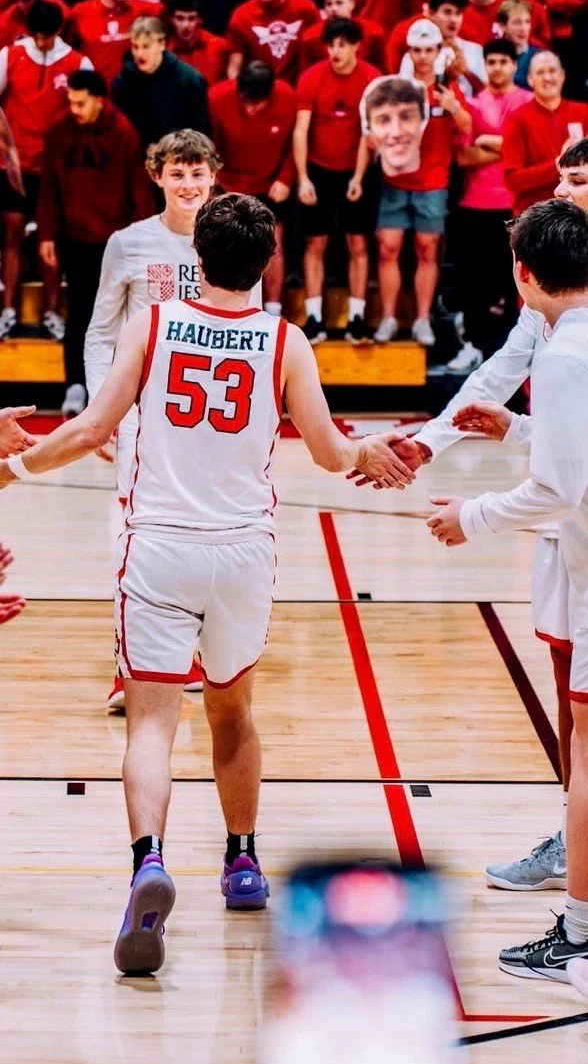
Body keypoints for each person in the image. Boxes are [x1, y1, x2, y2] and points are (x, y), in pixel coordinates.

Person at [1, 192, 417, 976]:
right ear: (268, 264)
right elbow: (330, 452)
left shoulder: (153, 324)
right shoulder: (285, 341)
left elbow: (91, 431)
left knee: (152, 722)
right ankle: (243, 861)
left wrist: (12, 467)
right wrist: (376, 455)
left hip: (157, 545)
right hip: (242, 552)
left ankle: (150, 860)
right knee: (232, 710)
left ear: (198, 260)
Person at [366, 139, 588, 898]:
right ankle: (574, 827)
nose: (566, 186)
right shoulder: (554, 285)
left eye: (581, 177)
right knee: (569, 688)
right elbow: (501, 370)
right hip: (567, 518)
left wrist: (477, 512)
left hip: (567, 503)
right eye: (562, 174)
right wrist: (429, 444)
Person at [426, 197, 588, 983]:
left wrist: (471, 515)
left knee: (586, 756)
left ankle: (582, 934)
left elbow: (558, 490)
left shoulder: (561, 355)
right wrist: (517, 431)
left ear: (522, 275)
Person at [84, 129, 220, 711]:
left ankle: (187, 650)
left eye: (197, 173)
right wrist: (101, 410)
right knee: (135, 538)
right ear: (157, 176)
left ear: (213, 176)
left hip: (213, 418)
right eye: (177, 173)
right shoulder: (129, 244)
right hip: (143, 415)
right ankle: (128, 664)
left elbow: (254, 331)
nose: (188, 183)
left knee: (200, 536)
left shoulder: (233, 239)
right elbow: (100, 332)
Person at [37, 69, 153, 417]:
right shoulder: (59, 131)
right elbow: (48, 188)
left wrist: (140, 241)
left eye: (80, 102)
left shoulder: (124, 134)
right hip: (76, 239)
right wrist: (46, 233)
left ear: (99, 99)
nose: (74, 108)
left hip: (115, 242)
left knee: (118, 319)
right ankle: (75, 385)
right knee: (79, 316)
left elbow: (140, 193)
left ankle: (113, 391)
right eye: (70, 101)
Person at [361, 23, 471, 348]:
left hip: (434, 183)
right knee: (387, 249)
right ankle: (389, 318)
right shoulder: (395, 89)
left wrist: (454, 107)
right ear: (410, 52)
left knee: (427, 250)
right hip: (394, 180)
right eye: (417, 50)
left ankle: (423, 319)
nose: (423, 56)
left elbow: (466, 128)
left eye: (429, 50)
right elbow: (373, 131)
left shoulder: (447, 87)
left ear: (438, 53)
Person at [0, 0, 92, 343]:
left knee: (50, 240)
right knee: (11, 232)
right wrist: (6, 145)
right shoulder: (11, 55)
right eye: (36, 35)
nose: (41, 42)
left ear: (58, 31)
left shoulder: (78, 62)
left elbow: (88, 112)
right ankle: (7, 310)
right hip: (15, 166)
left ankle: (53, 312)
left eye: (47, 36)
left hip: (54, 168)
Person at [294, 16, 380, 345]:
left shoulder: (371, 79)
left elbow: (367, 133)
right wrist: (303, 178)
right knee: (315, 243)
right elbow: (301, 130)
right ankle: (313, 317)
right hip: (319, 168)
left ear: (356, 45)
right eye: (331, 44)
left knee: (357, 243)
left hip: (357, 168)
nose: (335, 50)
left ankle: (357, 318)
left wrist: (358, 177)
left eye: (343, 44)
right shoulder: (312, 77)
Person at [450, 38, 531, 372]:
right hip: (475, 205)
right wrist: (507, 148)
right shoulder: (473, 103)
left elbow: (532, 155)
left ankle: (515, 355)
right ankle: (473, 346)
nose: (497, 67)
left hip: (516, 205)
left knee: (514, 281)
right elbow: (464, 155)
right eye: (492, 62)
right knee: (474, 283)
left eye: (503, 61)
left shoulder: (528, 103)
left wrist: (491, 143)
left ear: (515, 65)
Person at [209, 61, 297, 312]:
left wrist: (286, 178)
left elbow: (298, 142)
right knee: (226, 243)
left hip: (270, 184)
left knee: (272, 245)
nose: (250, 108)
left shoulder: (288, 98)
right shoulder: (217, 98)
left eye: (256, 103)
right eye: (246, 101)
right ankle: (228, 306)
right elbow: (211, 143)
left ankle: (273, 308)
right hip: (229, 182)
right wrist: (215, 181)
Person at [502, 49, 588, 216]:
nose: (547, 77)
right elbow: (514, 180)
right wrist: (557, 164)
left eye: (552, 70)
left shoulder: (584, 112)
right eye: (540, 72)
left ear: (563, 75)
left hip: (578, 215)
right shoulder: (517, 118)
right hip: (535, 217)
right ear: (530, 79)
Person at [111, 15, 210, 152]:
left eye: (146, 46)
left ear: (162, 44)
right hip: (137, 159)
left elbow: (200, 129)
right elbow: (120, 130)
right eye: (135, 46)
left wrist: (171, 149)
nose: (140, 53)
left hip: (181, 156)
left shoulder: (190, 79)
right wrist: (145, 145)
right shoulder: (122, 82)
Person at [226, 0, 319, 85]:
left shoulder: (306, 9)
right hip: (258, 90)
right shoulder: (241, 16)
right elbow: (234, 68)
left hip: (299, 88)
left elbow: (319, 57)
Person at [69, 0, 162, 88]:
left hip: (130, 94)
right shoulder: (81, 11)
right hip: (94, 95)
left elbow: (178, 8)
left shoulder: (140, 9)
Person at [300, 0, 386, 70]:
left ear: (352, 3)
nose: (333, 9)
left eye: (339, 3)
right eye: (329, 4)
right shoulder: (310, 38)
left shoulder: (373, 33)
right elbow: (305, 74)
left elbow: (382, 73)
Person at [167, 0, 228, 85]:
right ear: (171, 19)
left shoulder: (220, 47)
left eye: (191, 18)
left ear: (200, 19)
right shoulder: (163, 51)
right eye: (180, 18)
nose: (185, 25)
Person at [496, 0, 541, 89]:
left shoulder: (539, 57)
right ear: (502, 26)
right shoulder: (492, 55)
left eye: (527, 22)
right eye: (517, 23)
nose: (523, 29)